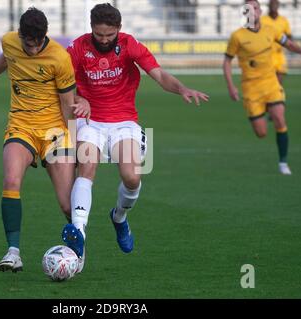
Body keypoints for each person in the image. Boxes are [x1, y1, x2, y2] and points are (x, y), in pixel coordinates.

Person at [61, 3, 209, 273]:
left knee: (131, 177)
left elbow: (160, 75)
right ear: (91, 28)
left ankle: (119, 217)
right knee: (87, 167)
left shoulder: (130, 45)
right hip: (90, 120)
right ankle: (78, 233)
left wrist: (182, 88)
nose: (104, 40)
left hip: (124, 120)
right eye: (99, 35)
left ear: (118, 29)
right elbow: (61, 85)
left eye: (109, 35)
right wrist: (79, 99)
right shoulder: (77, 48)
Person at [0, 8, 90, 273]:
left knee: (66, 203)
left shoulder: (59, 58)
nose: (33, 49)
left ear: (44, 37)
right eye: (28, 43)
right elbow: (7, 58)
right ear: (21, 35)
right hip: (21, 125)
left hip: (54, 132)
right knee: (11, 180)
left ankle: (78, 250)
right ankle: (13, 252)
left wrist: (74, 147)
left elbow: (67, 105)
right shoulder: (9, 41)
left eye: (38, 44)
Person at [223, 0, 301, 176]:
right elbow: (227, 62)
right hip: (251, 89)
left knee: (279, 118)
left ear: (260, 10)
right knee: (261, 132)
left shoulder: (271, 30)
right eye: (248, 9)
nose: (252, 11)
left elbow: (288, 43)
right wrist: (231, 86)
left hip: (271, 84)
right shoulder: (237, 36)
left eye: (255, 7)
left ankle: (283, 162)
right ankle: (261, 116)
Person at [261, 0, 292, 85]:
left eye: (275, 4)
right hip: (267, 55)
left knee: (279, 82)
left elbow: (289, 36)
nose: (273, 6)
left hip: (279, 55)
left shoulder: (283, 20)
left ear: (278, 6)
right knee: (267, 83)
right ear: (268, 6)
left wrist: (284, 43)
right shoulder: (263, 19)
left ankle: (278, 97)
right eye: (272, 4)